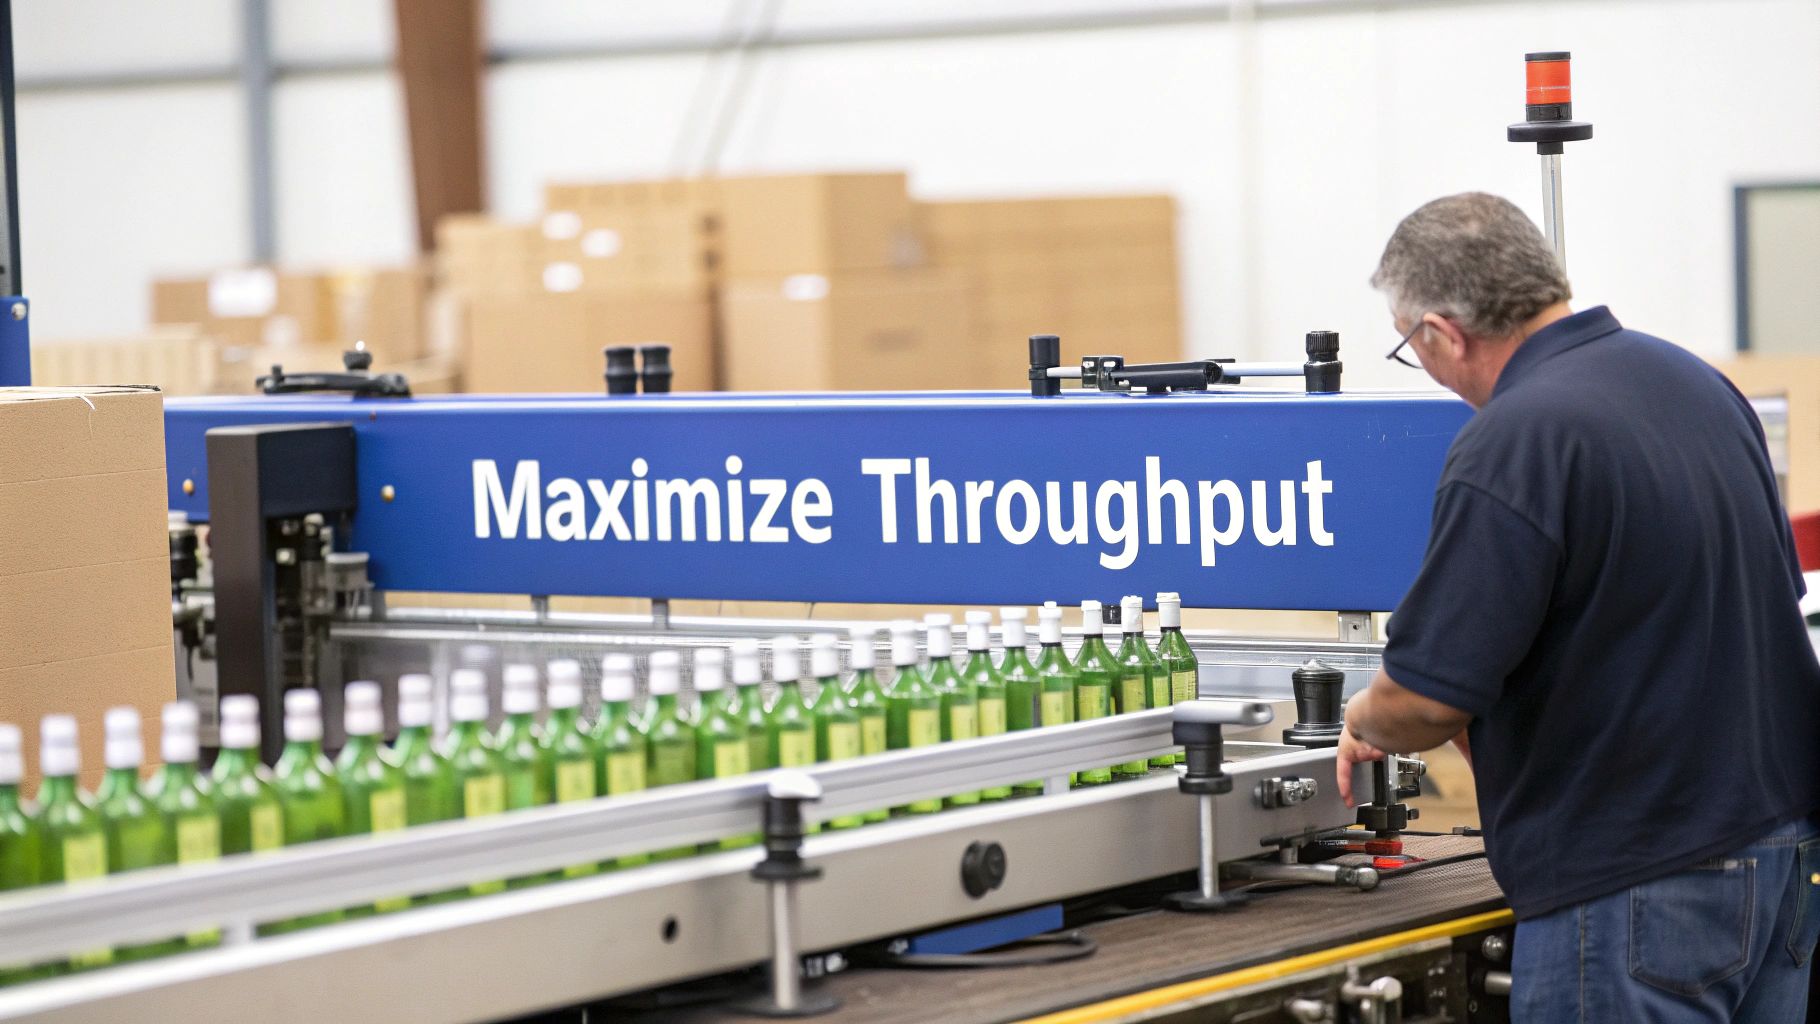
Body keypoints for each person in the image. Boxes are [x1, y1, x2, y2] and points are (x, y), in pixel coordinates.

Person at [1339, 192, 1820, 1022]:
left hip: (1639, 880)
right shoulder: (1696, 385)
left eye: (1407, 345)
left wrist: (1365, 718)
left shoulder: (1518, 437)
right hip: (1781, 858)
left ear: (1442, 334)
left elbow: (1427, 694)